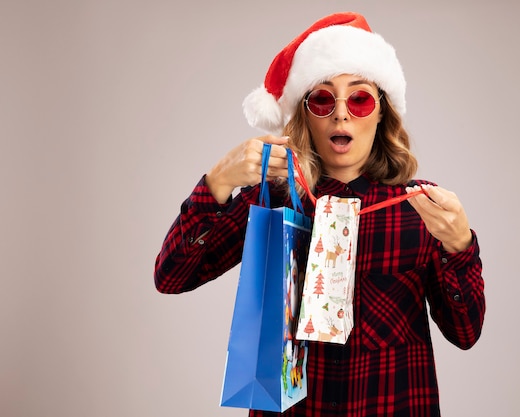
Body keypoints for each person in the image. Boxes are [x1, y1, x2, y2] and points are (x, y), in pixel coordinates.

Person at [154, 11, 485, 417]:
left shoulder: (421, 210)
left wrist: (460, 246)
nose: (341, 114)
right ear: (306, 116)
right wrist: (217, 182)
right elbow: (171, 277)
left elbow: (465, 333)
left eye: (359, 99)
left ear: (381, 113)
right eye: (323, 99)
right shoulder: (272, 200)